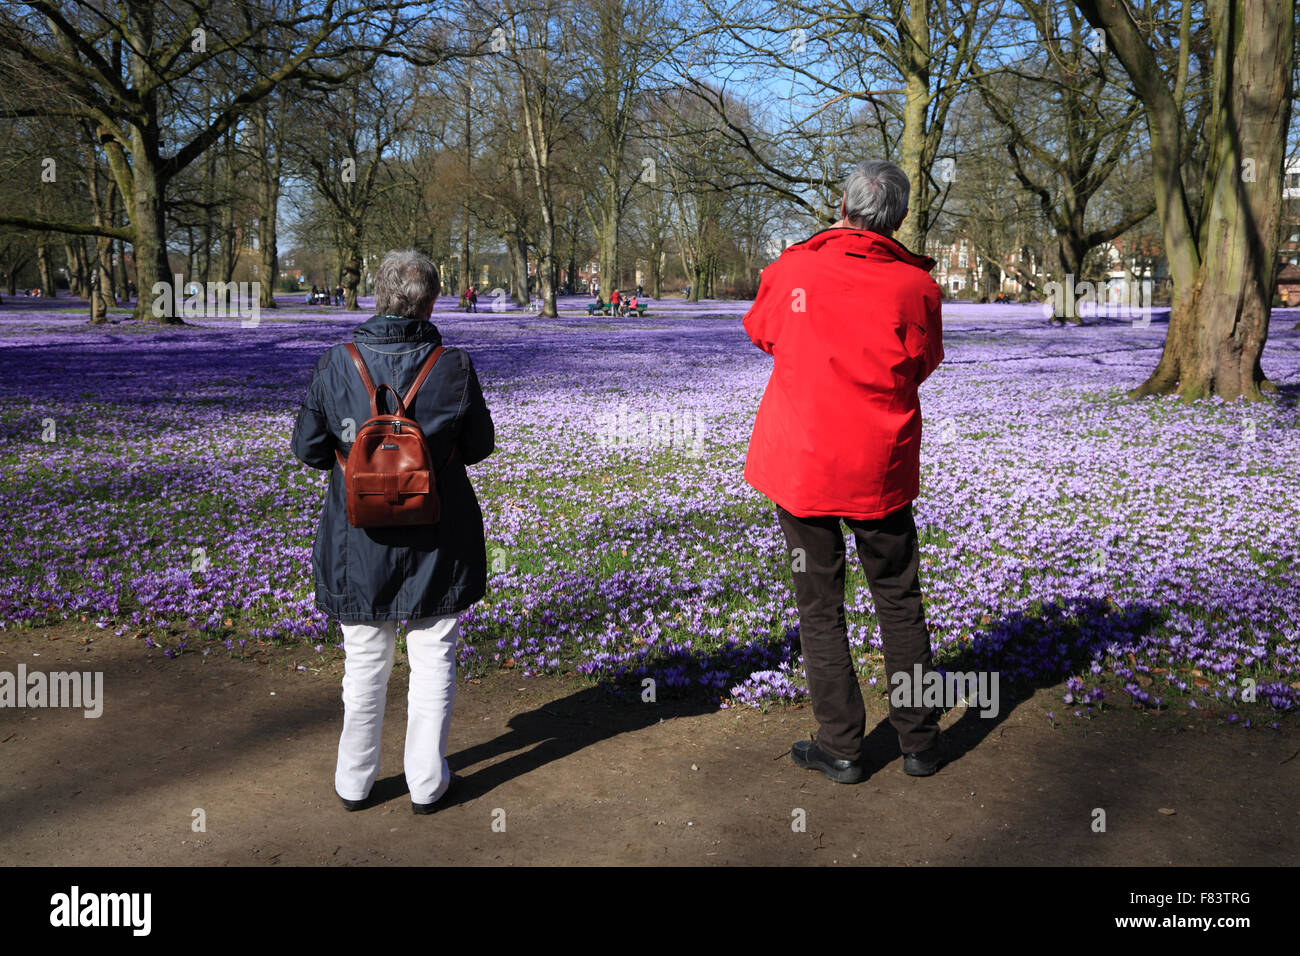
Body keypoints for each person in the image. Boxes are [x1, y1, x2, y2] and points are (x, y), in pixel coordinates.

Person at [742, 159, 945, 785]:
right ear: (901, 217)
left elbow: (762, 332)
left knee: (820, 604)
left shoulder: (794, 268)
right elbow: (923, 361)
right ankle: (918, 742)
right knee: (898, 596)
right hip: (878, 464)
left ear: (843, 206)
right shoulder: (916, 287)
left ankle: (842, 746)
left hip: (803, 464)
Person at [290, 249, 495, 813]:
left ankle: (354, 783)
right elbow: (479, 446)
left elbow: (307, 448)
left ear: (380, 297)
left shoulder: (337, 362)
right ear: (430, 302)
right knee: (433, 655)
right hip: (438, 535)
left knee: (365, 659)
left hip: (359, 540)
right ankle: (427, 784)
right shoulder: (453, 365)